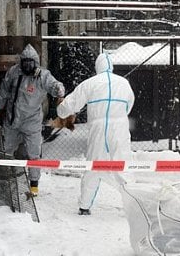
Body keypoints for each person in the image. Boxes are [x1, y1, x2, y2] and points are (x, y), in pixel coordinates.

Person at [57, 53, 135, 215]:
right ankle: (135, 205)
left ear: (97, 67)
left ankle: (85, 206)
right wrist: (118, 115)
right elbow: (129, 104)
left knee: (93, 166)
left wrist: (60, 109)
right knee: (123, 166)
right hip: (120, 128)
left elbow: (69, 106)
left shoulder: (89, 84)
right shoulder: (124, 83)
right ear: (111, 66)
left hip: (98, 129)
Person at [0, 44, 65, 196]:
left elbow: (54, 85)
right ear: (21, 62)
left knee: (34, 154)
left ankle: (34, 185)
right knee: (5, 151)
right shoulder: (14, 72)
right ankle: (4, 180)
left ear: (35, 63)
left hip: (32, 123)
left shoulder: (42, 76)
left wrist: (59, 89)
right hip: (12, 122)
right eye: (25, 62)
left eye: (30, 63)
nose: (27, 66)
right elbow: (3, 91)